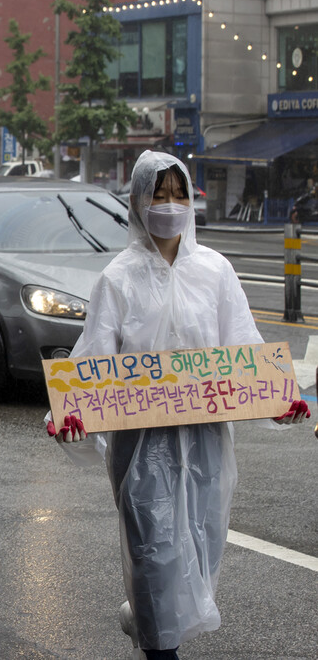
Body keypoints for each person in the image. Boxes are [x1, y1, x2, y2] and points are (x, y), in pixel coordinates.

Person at [46, 150, 310, 660]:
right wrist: (67, 414)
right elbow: (93, 358)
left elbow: (244, 348)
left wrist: (280, 397)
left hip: (207, 441)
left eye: (179, 194)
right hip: (141, 447)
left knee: (201, 548)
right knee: (154, 554)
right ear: (138, 203)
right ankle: (156, 642)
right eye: (157, 195)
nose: (169, 206)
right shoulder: (118, 279)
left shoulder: (215, 271)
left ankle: (142, 616)